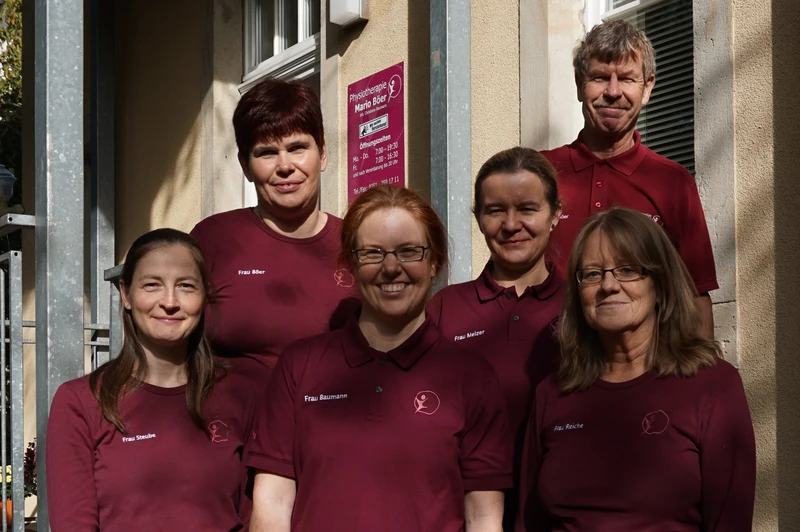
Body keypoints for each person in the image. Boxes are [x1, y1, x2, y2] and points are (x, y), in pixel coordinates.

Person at [249, 185, 513, 531]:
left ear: (434, 262)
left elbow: (483, 516)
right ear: (351, 263)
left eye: (408, 251)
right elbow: (273, 502)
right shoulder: (300, 366)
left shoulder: (471, 377)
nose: (391, 267)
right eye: (373, 253)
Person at [518, 208, 756, 531]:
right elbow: (529, 523)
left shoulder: (712, 386)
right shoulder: (552, 393)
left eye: (628, 270)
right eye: (591, 274)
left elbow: (729, 522)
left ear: (660, 284)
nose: (608, 285)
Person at [46, 229, 258, 531]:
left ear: (205, 296)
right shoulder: (82, 402)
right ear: (126, 294)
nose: (169, 302)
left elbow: (255, 516)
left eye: (186, 286)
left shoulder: (239, 395)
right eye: (152, 285)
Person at [542, 19, 718, 338]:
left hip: (645, 375)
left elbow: (695, 293)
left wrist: (704, 380)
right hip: (549, 367)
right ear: (580, 83)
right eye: (599, 77)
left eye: (626, 79)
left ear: (647, 88)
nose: (613, 92)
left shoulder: (672, 182)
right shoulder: (541, 173)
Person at [427, 147, 563, 530]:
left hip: (556, 511)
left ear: (555, 214)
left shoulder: (583, 306)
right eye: (495, 210)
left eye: (527, 208)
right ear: (478, 218)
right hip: (463, 510)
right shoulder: (445, 309)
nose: (511, 224)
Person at [190, 78, 359, 383]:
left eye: (297, 148)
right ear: (245, 165)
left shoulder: (357, 243)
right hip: (231, 427)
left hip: (333, 426)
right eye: (267, 152)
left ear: (322, 153)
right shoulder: (213, 240)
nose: (285, 166)